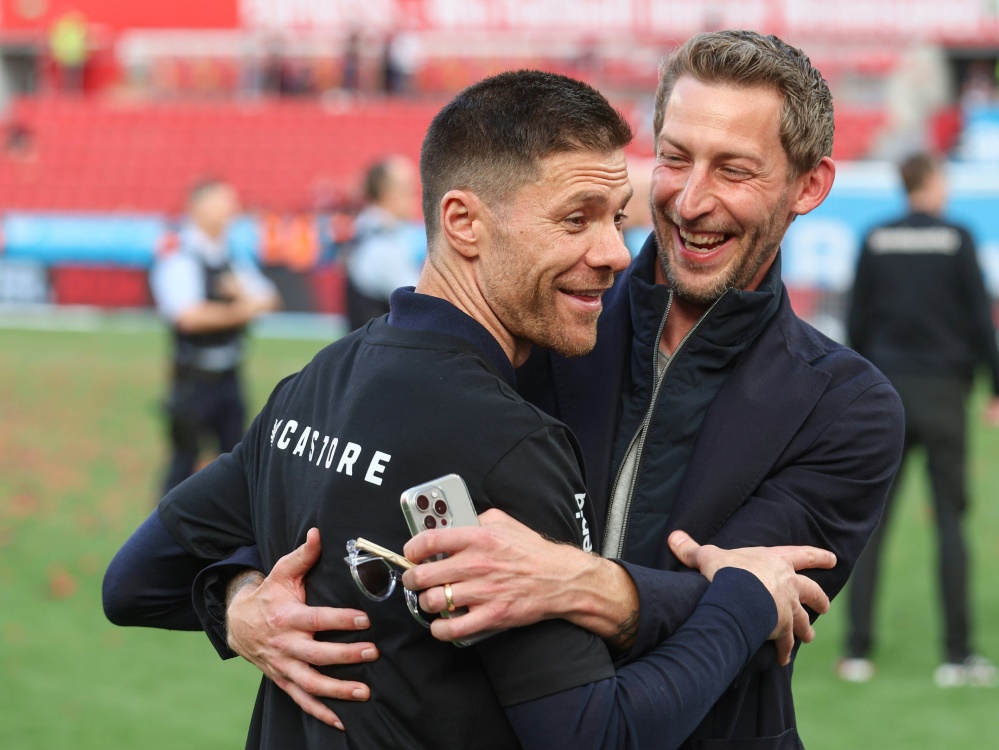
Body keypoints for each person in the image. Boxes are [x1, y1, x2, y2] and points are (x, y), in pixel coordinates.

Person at [194, 31, 905, 749]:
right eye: (674, 158)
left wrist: (577, 580)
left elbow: (757, 623)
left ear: (807, 185)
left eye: (734, 170)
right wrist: (241, 603)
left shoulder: (845, 408)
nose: (691, 201)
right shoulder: (542, 326)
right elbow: (741, 594)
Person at [840, 151, 999, 688]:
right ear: (929, 183)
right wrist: (995, 387)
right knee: (951, 521)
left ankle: (856, 653)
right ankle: (957, 656)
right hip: (946, 394)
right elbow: (981, 319)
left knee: (873, 524)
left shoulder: (876, 238)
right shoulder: (957, 238)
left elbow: (855, 320)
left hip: (885, 395)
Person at [150, 178, 281, 494]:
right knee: (183, 463)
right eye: (222, 201)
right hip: (193, 379)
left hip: (229, 375)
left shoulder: (229, 255)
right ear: (197, 206)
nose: (231, 208)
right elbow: (188, 317)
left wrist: (238, 302)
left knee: (237, 461)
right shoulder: (180, 254)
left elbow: (271, 299)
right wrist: (243, 306)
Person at [344, 156, 422, 330]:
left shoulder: (367, 232)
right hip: (383, 354)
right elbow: (422, 302)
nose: (416, 199)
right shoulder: (381, 246)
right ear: (390, 195)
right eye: (409, 191)